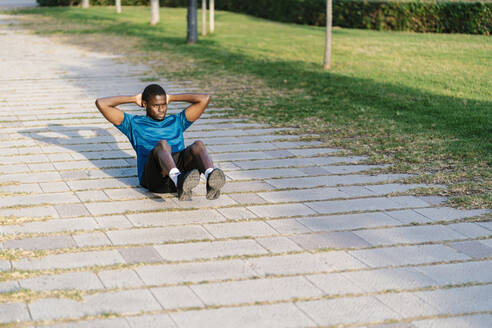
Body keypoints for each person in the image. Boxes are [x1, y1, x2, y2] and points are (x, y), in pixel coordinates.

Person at [95, 84, 225, 201]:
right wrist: (133, 98)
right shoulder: (133, 123)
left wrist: (172, 97)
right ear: (145, 104)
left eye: (164, 104)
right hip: (154, 178)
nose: (161, 109)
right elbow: (102, 103)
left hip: (183, 177)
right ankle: (178, 180)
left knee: (198, 145)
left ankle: (210, 178)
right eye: (156, 105)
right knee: (162, 144)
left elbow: (204, 98)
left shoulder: (176, 120)